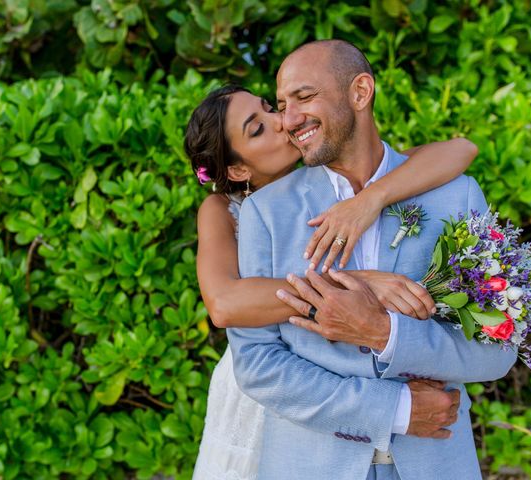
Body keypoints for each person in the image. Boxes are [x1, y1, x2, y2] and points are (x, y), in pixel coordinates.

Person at [226, 40, 517, 479]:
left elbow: (498, 348)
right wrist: (396, 410)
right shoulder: (264, 213)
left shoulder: (457, 195)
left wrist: (385, 333)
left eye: (305, 97)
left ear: (360, 93)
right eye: (282, 104)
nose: (288, 120)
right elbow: (257, 364)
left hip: (437, 465)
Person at [185, 82, 480, 478]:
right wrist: (358, 283)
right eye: (257, 128)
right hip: (269, 385)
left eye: (270, 108)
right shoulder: (223, 209)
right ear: (238, 169)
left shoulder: (344, 177)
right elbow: (224, 304)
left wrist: (369, 199)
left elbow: (461, 150)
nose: (281, 121)